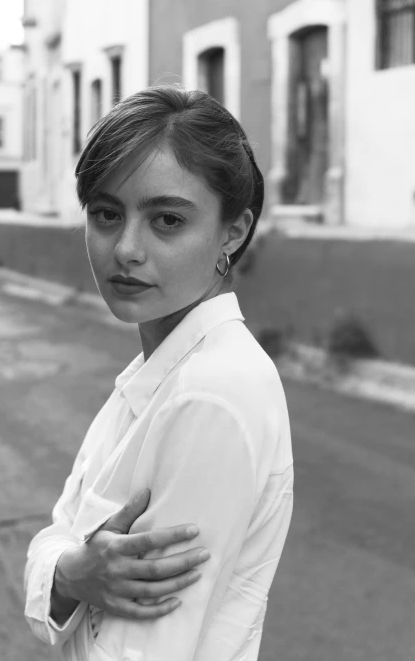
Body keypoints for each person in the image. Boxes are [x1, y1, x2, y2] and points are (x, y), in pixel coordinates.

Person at [24, 86, 294, 660]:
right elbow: (57, 536)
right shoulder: (155, 375)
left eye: (166, 220)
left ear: (232, 231)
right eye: (106, 214)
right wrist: (71, 571)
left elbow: (143, 650)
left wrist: (62, 566)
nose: (125, 248)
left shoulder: (211, 394)